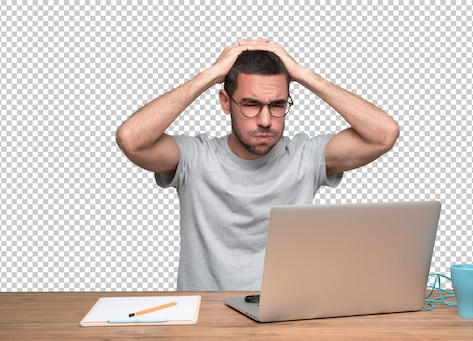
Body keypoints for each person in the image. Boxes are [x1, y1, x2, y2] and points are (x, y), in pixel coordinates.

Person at [116, 39, 400, 291]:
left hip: (286, 315)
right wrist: (211, 74)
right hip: (205, 320)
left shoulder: (305, 155)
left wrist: (303, 75)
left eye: (277, 104)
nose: (265, 120)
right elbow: (132, 139)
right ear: (226, 102)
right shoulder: (195, 157)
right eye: (250, 104)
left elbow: (383, 134)